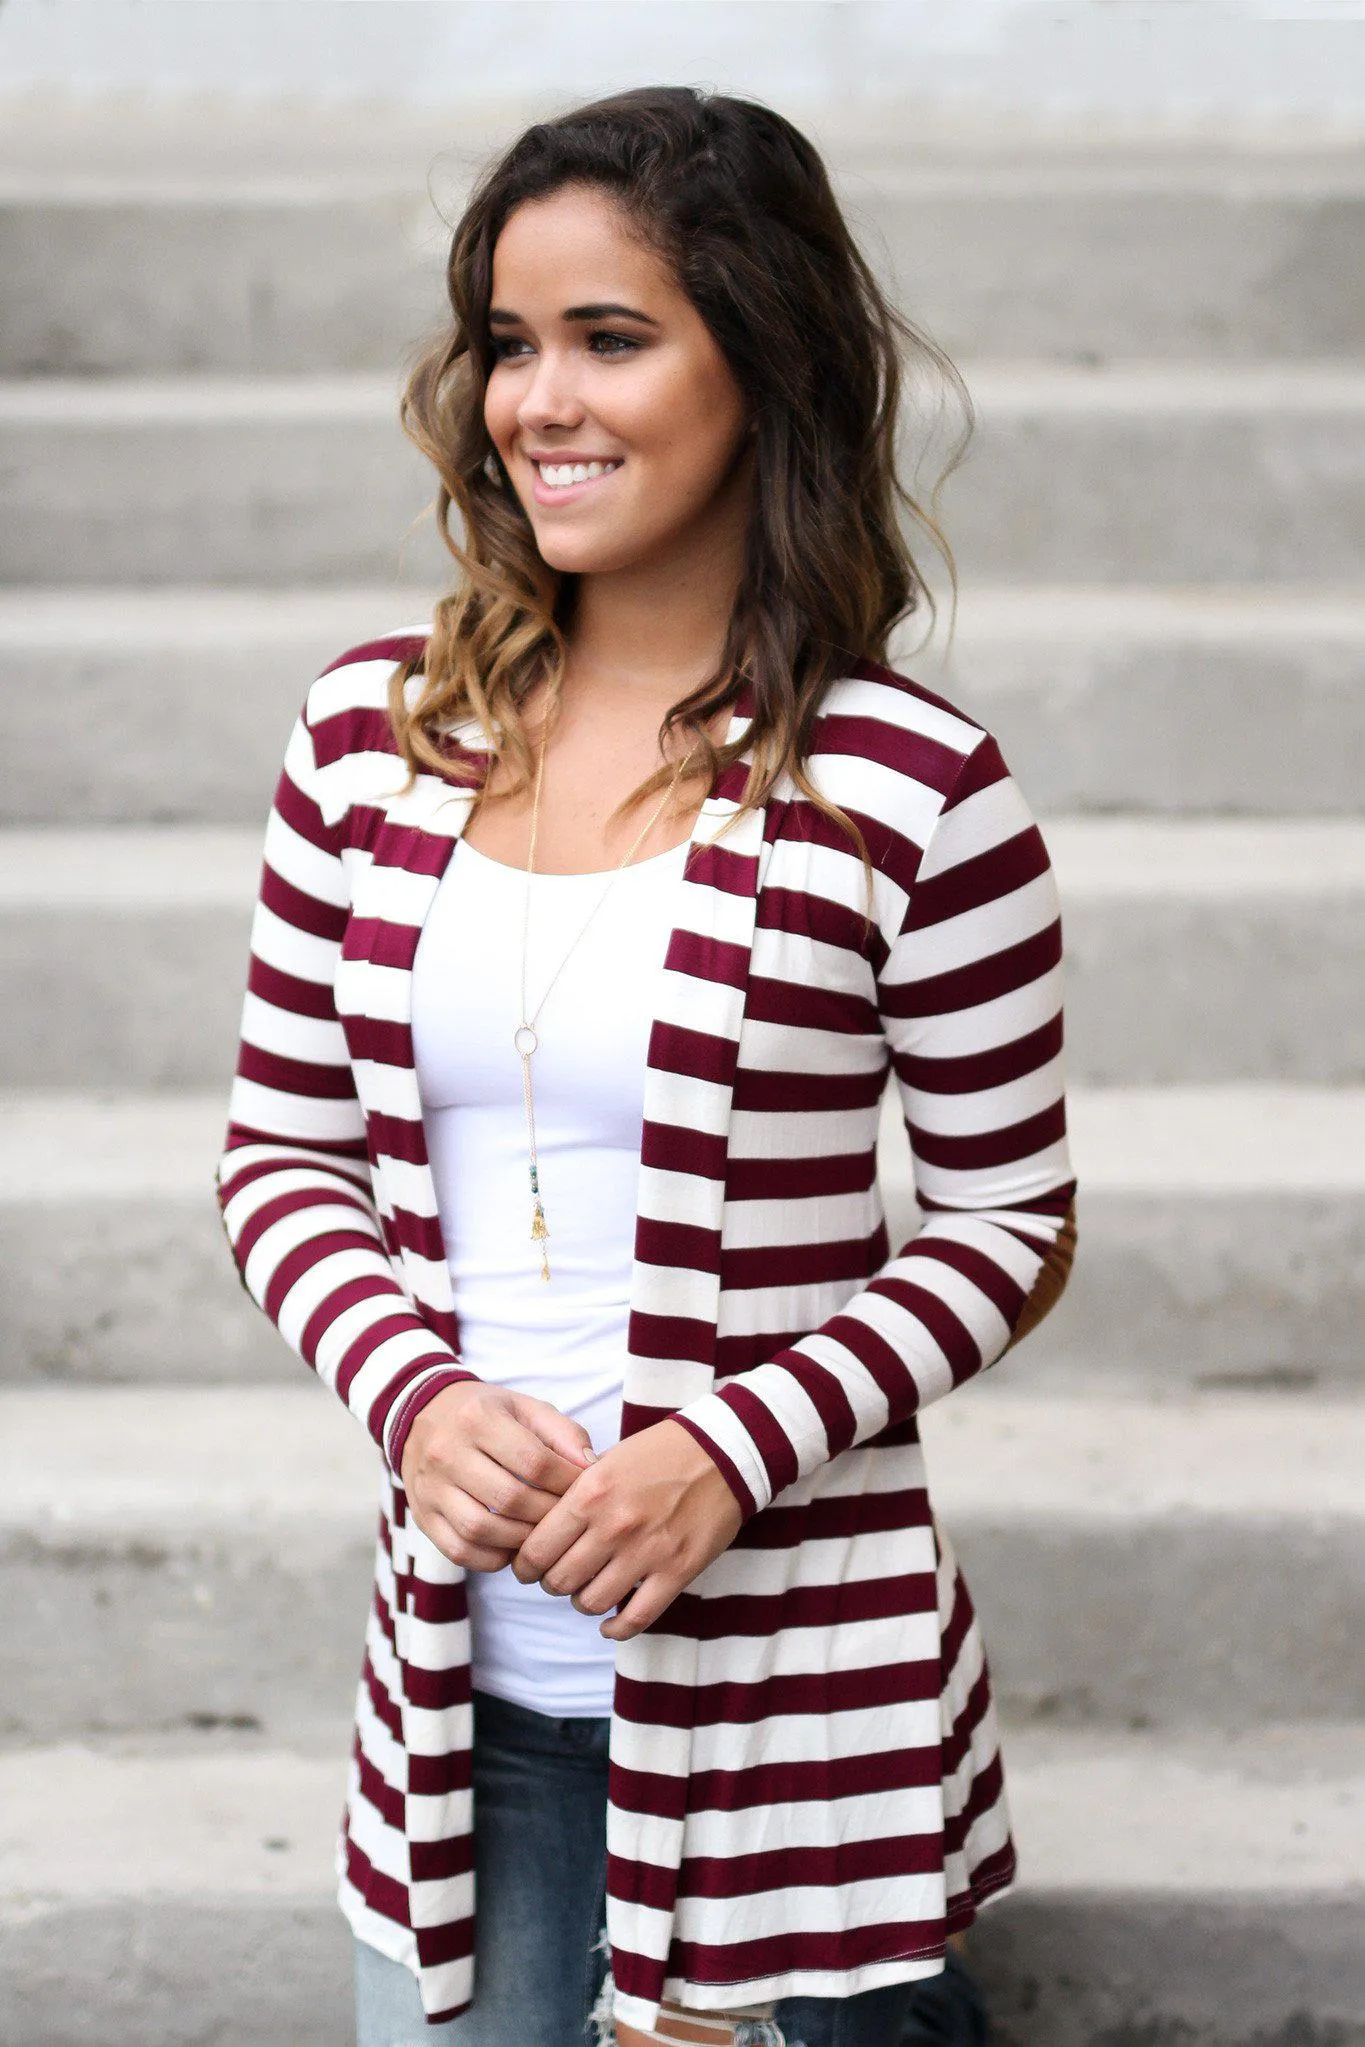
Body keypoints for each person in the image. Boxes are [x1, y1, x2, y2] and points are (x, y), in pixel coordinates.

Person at [216, 85, 1078, 2047]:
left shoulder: (908, 788)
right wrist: (415, 1398)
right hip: (470, 1694)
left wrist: (726, 1451)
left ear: (760, 367)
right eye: (510, 346)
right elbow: (276, 1157)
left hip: (795, 1707)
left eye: (611, 338)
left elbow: (1011, 1222)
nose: (541, 400)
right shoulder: (369, 735)